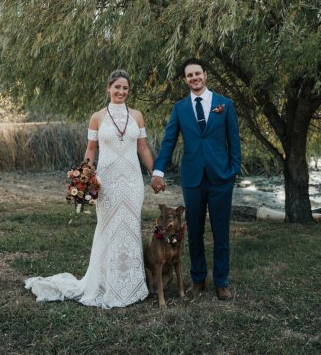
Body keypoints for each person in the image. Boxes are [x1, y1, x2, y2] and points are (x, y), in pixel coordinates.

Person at [25, 69, 155, 308]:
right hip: (106, 182)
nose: (121, 92)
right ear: (108, 88)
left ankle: (131, 285)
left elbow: (143, 148)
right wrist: (84, 177)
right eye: (117, 87)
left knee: (130, 228)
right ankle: (105, 284)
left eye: (125, 88)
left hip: (132, 181)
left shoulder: (137, 115)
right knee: (108, 229)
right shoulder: (97, 117)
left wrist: (155, 173)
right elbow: (91, 149)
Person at [151, 58, 241, 301]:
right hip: (193, 178)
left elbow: (234, 141)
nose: (194, 78)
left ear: (205, 75)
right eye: (189, 75)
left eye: (197, 74)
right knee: (194, 233)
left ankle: (222, 282)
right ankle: (198, 279)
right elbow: (169, 140)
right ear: (185, 79)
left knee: (221, 232)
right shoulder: (180, 108)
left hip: (221, 177)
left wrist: (233, 170)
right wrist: (158, 170)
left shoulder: (225, 104)